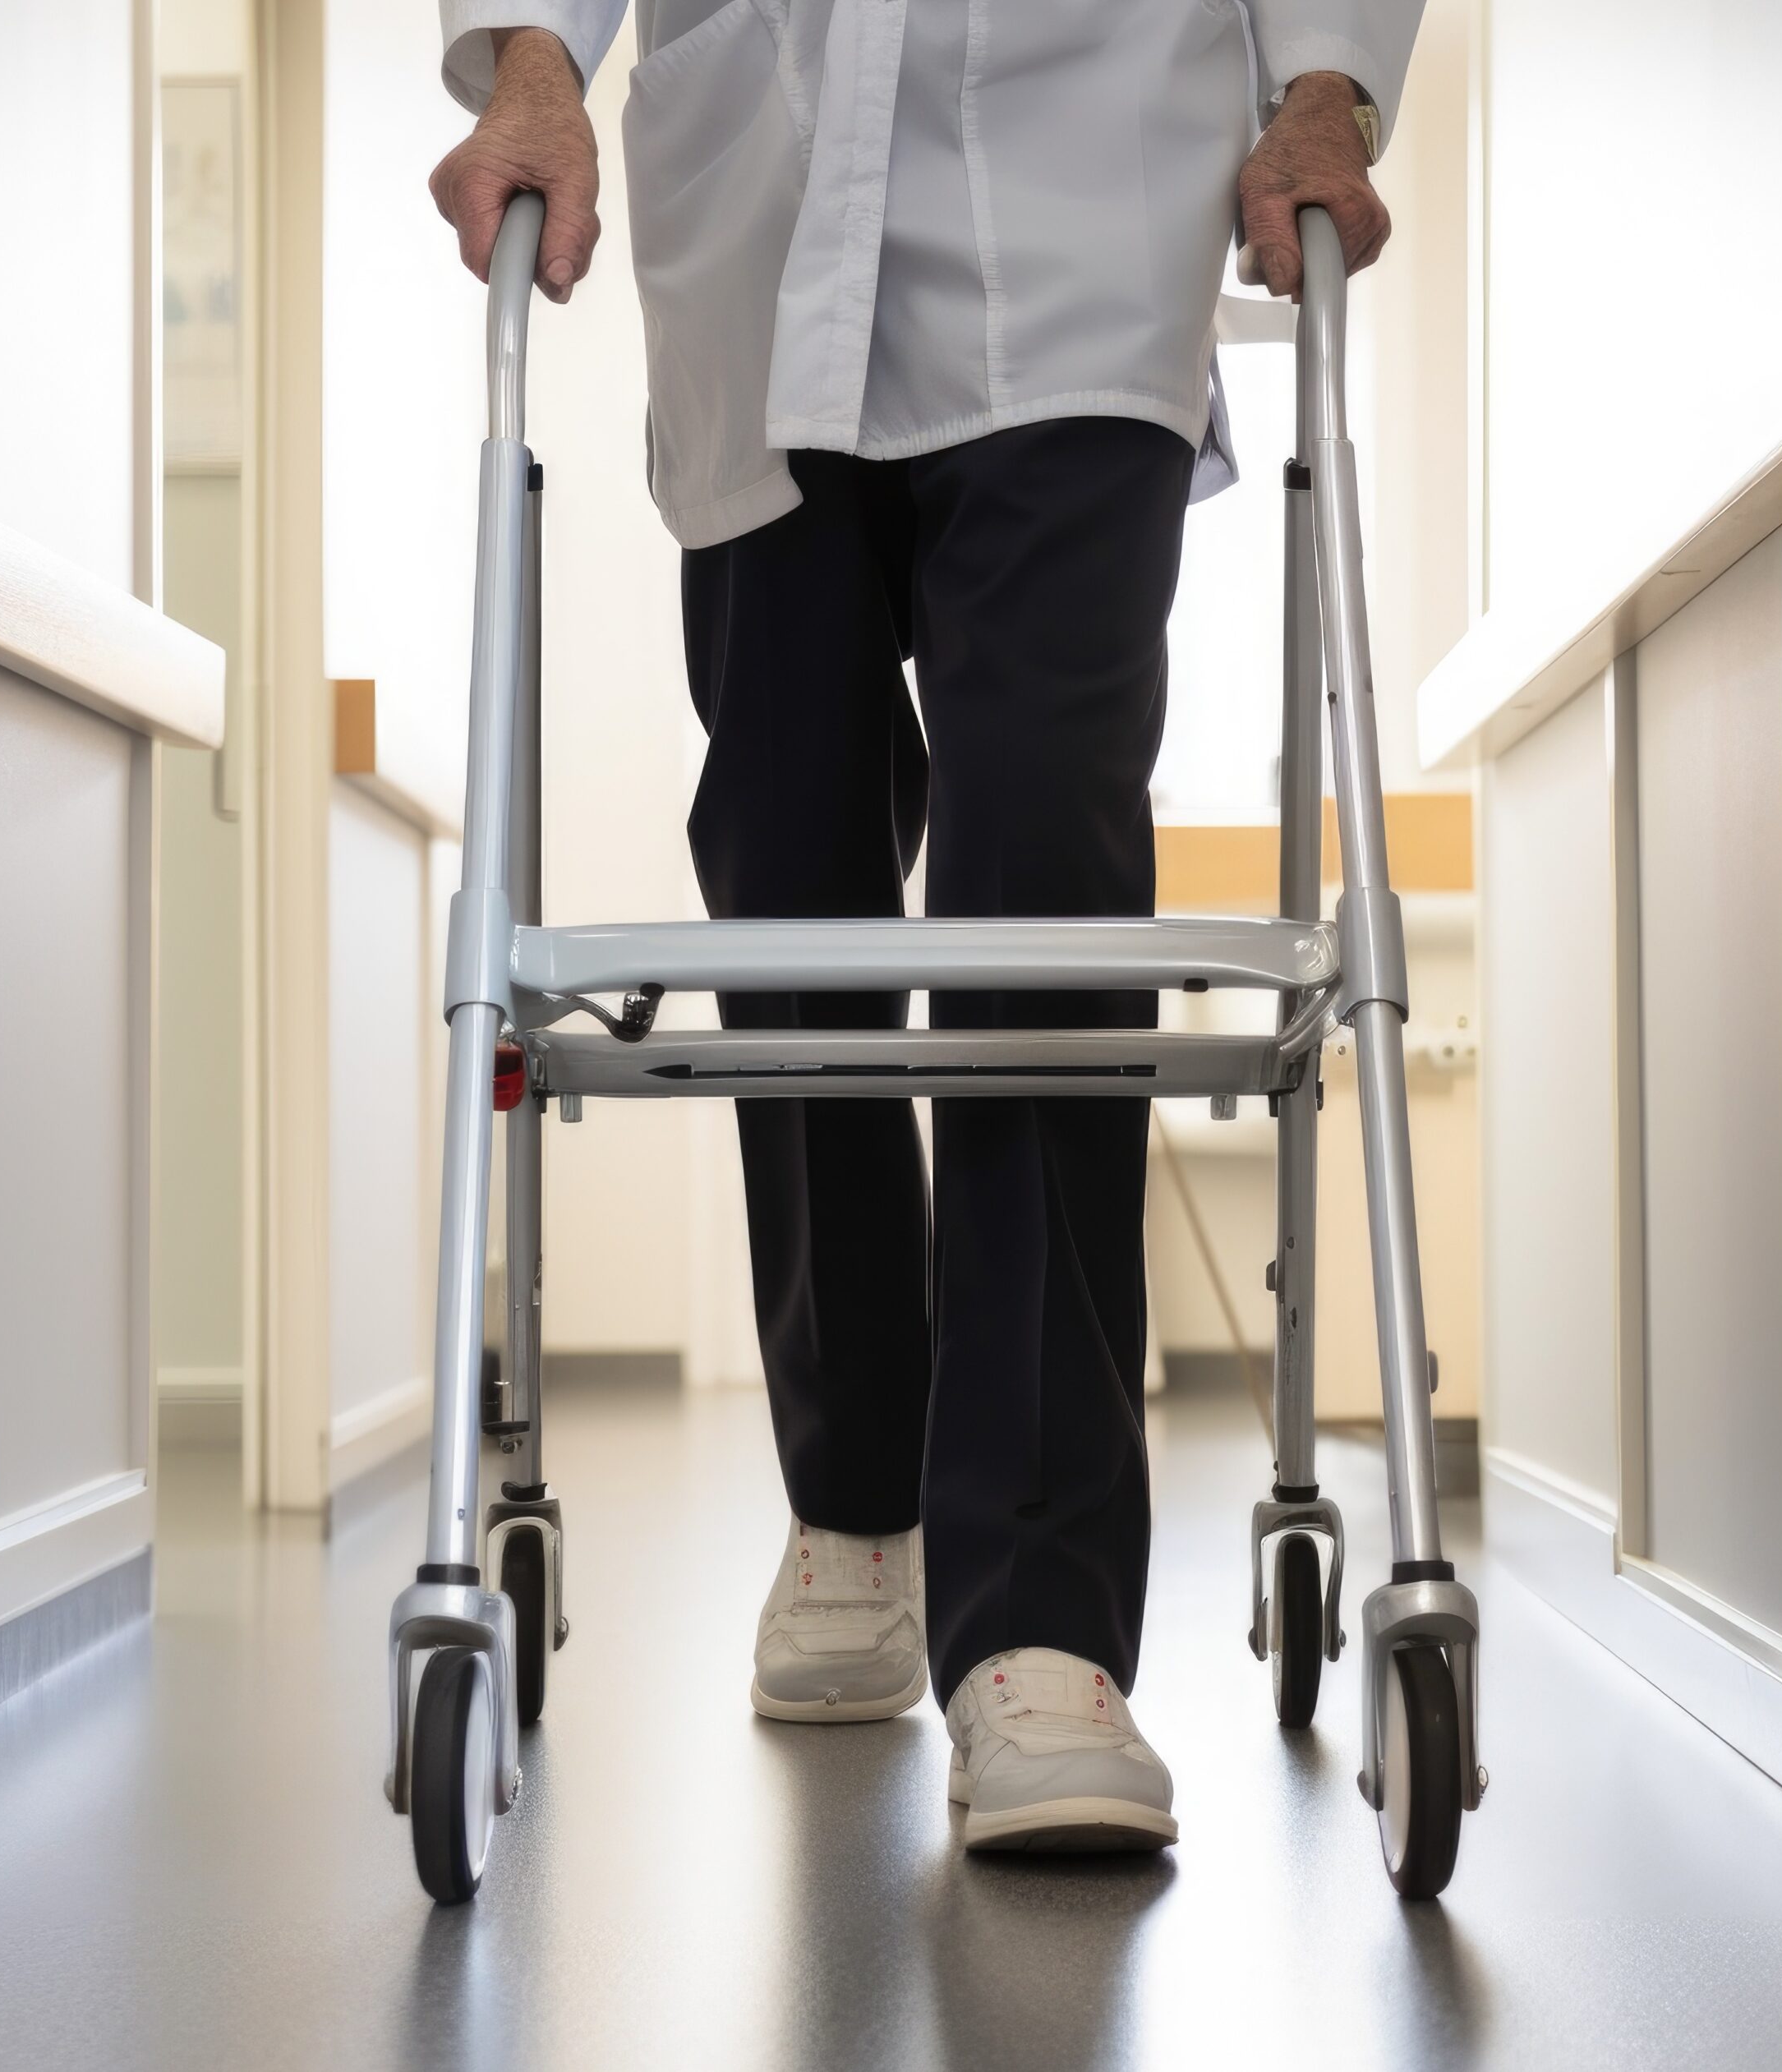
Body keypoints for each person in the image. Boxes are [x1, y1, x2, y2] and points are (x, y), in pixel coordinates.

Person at [432, 0, 1421, 1853]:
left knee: (1042, 854)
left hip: (1083, 185)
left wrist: (1320, 82)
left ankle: (1040, 1622)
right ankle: (858, 1494)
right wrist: (535, 59)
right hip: (764, 198)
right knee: (784, 850)